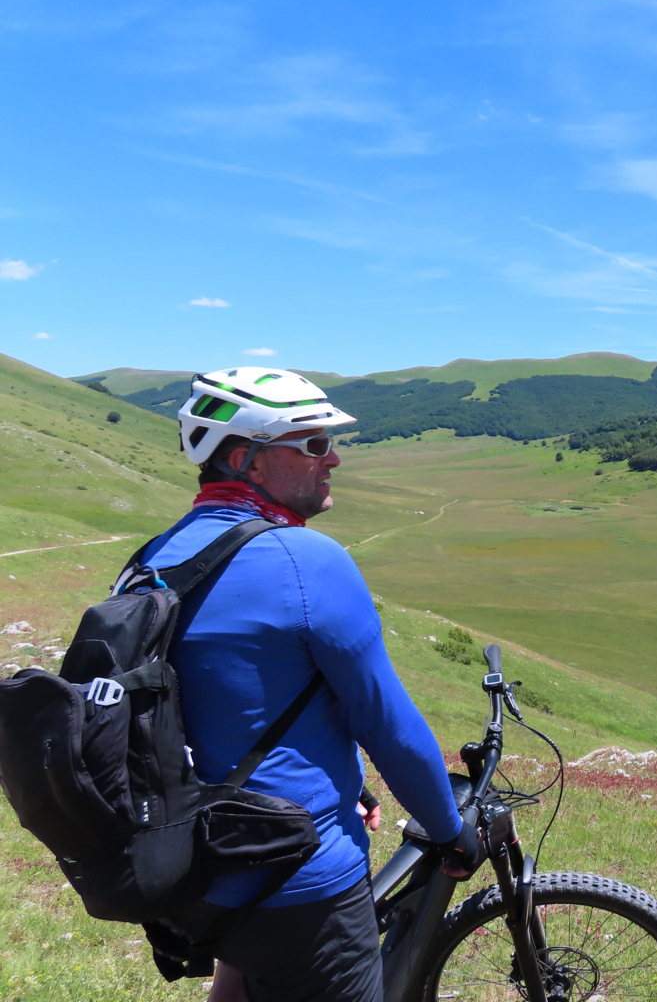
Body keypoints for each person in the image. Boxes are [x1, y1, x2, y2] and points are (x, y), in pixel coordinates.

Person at [143, 367, 483, 1002]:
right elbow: (389, 723)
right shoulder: (308, 561)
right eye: (313, 444)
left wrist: (339, 779)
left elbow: (228, 701)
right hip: (298, 879)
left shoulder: (153, 558)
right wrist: (449, 830)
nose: (335, 459)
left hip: (198, 869)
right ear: (246, 459)